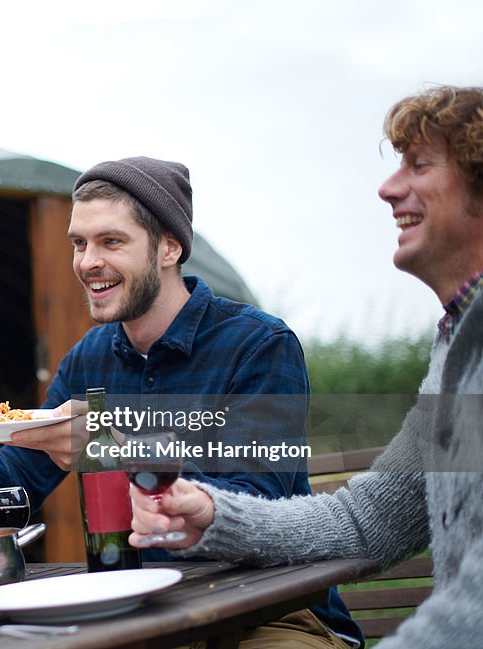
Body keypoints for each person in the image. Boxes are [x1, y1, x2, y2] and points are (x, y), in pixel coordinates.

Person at [0, 155, 361, 647]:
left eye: (111, 241)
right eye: (79, 243)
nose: (87, 262)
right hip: (137, 613)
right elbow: (14, 495)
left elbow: (259, 504)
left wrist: (113, 445)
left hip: (269, 612)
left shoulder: (258, 345)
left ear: (169, 247)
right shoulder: (89, 360)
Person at [129, 85, 483, 649]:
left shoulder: (256, 341)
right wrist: (215, 516)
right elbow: (368, 521)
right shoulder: (457, 345)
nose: (388, 189)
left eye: (418, 166)